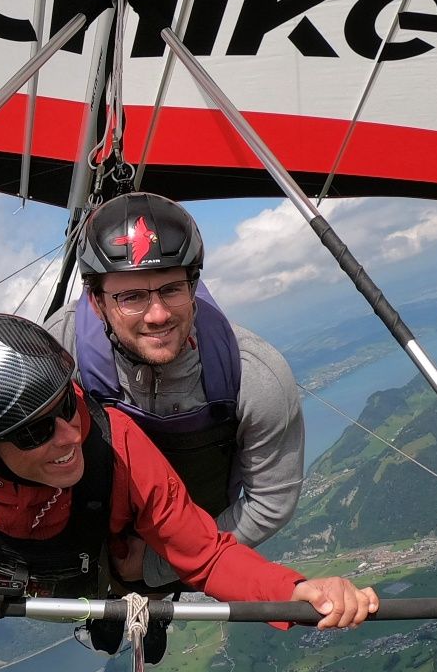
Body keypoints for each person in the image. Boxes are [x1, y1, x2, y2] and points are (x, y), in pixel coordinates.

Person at [0, 314, 375, 649]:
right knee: (100, 625)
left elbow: (205, 553)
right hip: (13, 571)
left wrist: (290, 593)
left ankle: (137, 620)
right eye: (32, 434)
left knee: (127, 610)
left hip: (103, 569)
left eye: (68, 404)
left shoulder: (117, 449)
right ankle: (107, 624)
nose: (66, 435)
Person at [46, 191, 304, 593]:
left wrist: (157, 565)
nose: (158, 315)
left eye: (171, 289)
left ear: (193, 285)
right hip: (86, 544)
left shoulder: (251, 375)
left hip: (187, 551)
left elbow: (270, 502)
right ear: (96, 303)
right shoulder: (57, 356)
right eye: (131, 296)